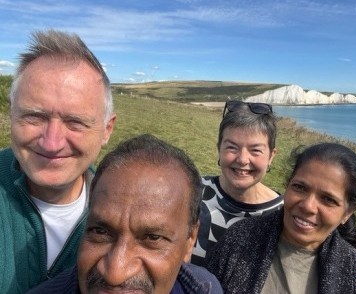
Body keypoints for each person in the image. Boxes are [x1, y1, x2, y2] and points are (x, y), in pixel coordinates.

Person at [27, 134, 223, 293]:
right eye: (100, 232)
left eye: (153, 238)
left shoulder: (204, 287)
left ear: (190, 240)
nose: (114, 273)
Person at [0, 29, 115, 293]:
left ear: (107, 129)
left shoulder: (123, 212)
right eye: (34, 117)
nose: (51, 143)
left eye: (75, 122)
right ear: (12, 113)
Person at [205, 142, 356, 294]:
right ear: (287, 186)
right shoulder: (239, 239)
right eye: (300, 188)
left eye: (328, 199)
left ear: (347, 213)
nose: (308, 206)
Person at [191, 100, 284, 266]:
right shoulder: (191, 191)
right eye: (232, 147)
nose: (242, 159)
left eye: (255, 150)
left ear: (271, 156)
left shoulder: (285, 215)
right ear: (219, 149)